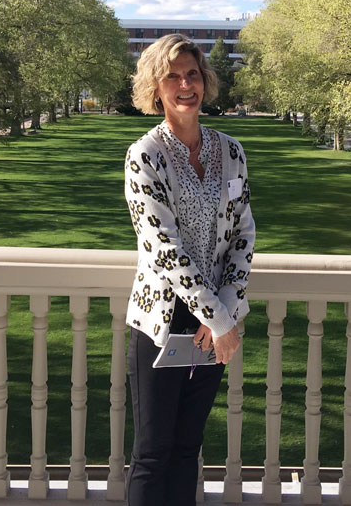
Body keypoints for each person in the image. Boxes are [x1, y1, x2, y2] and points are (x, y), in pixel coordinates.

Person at [123, 33, 255, 506]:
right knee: (153, 452)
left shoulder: (232, 151)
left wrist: (226, 311)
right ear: (156, 88)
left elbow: (243, 235)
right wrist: (218, 320)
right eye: (173, 76)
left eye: (192, 74)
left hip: (215, 323)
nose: (185, 85)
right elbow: (163, 246)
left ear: (205, 81)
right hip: (163, 322)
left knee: (187, 450)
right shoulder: (145, 156)